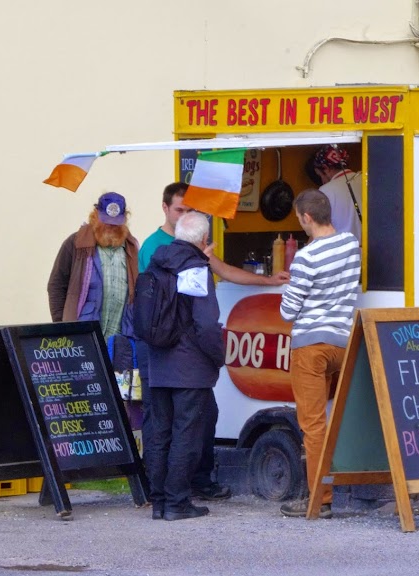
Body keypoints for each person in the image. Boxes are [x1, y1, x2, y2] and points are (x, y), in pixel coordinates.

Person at [137, 182, 290, 503]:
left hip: (164, 357)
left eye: (189, 211)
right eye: (180, 210)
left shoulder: (182, 254)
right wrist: (218, 355)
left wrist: (268, 280)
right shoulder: (161, 250)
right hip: (178, 358)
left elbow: (225, 271)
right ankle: (175, 496)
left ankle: (168, 494)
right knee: (179, 428)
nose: (183, 216)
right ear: (165, 209)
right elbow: (200, 319)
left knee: (185, 424)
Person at [278, 189, 361, 519]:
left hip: (311, 347)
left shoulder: (306, 257)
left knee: (313, 426)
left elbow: (288, 311)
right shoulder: (351, 244)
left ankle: (320, 499)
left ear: (307, 218)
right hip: (343, 343)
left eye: (299, 217)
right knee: (338, 418)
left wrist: (289, 288)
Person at [146, 211, 226, 521]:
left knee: (159, 433)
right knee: (186, 435)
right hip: (189, 368)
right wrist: (218, 356)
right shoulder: (195, 268)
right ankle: (177, 503)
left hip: (158, 362)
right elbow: (205, 324)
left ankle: (159, 502)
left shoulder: (157, 263)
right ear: (204, 239)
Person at [47, 192, 139, 338]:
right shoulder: (75, 243)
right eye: (106, 221)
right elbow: (56, 286)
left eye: (116, 223)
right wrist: (61, 327)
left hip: (118, 340)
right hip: (81, 337)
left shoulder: (132, 249)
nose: (111, 227)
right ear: (95, 215)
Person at [311, 144, 363, 244]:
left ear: (326, 168)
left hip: (342, 251)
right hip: (369, 249)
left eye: (320, 175)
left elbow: (318, 231)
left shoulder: (325, 191)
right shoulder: (364, 180)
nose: (322, 180)